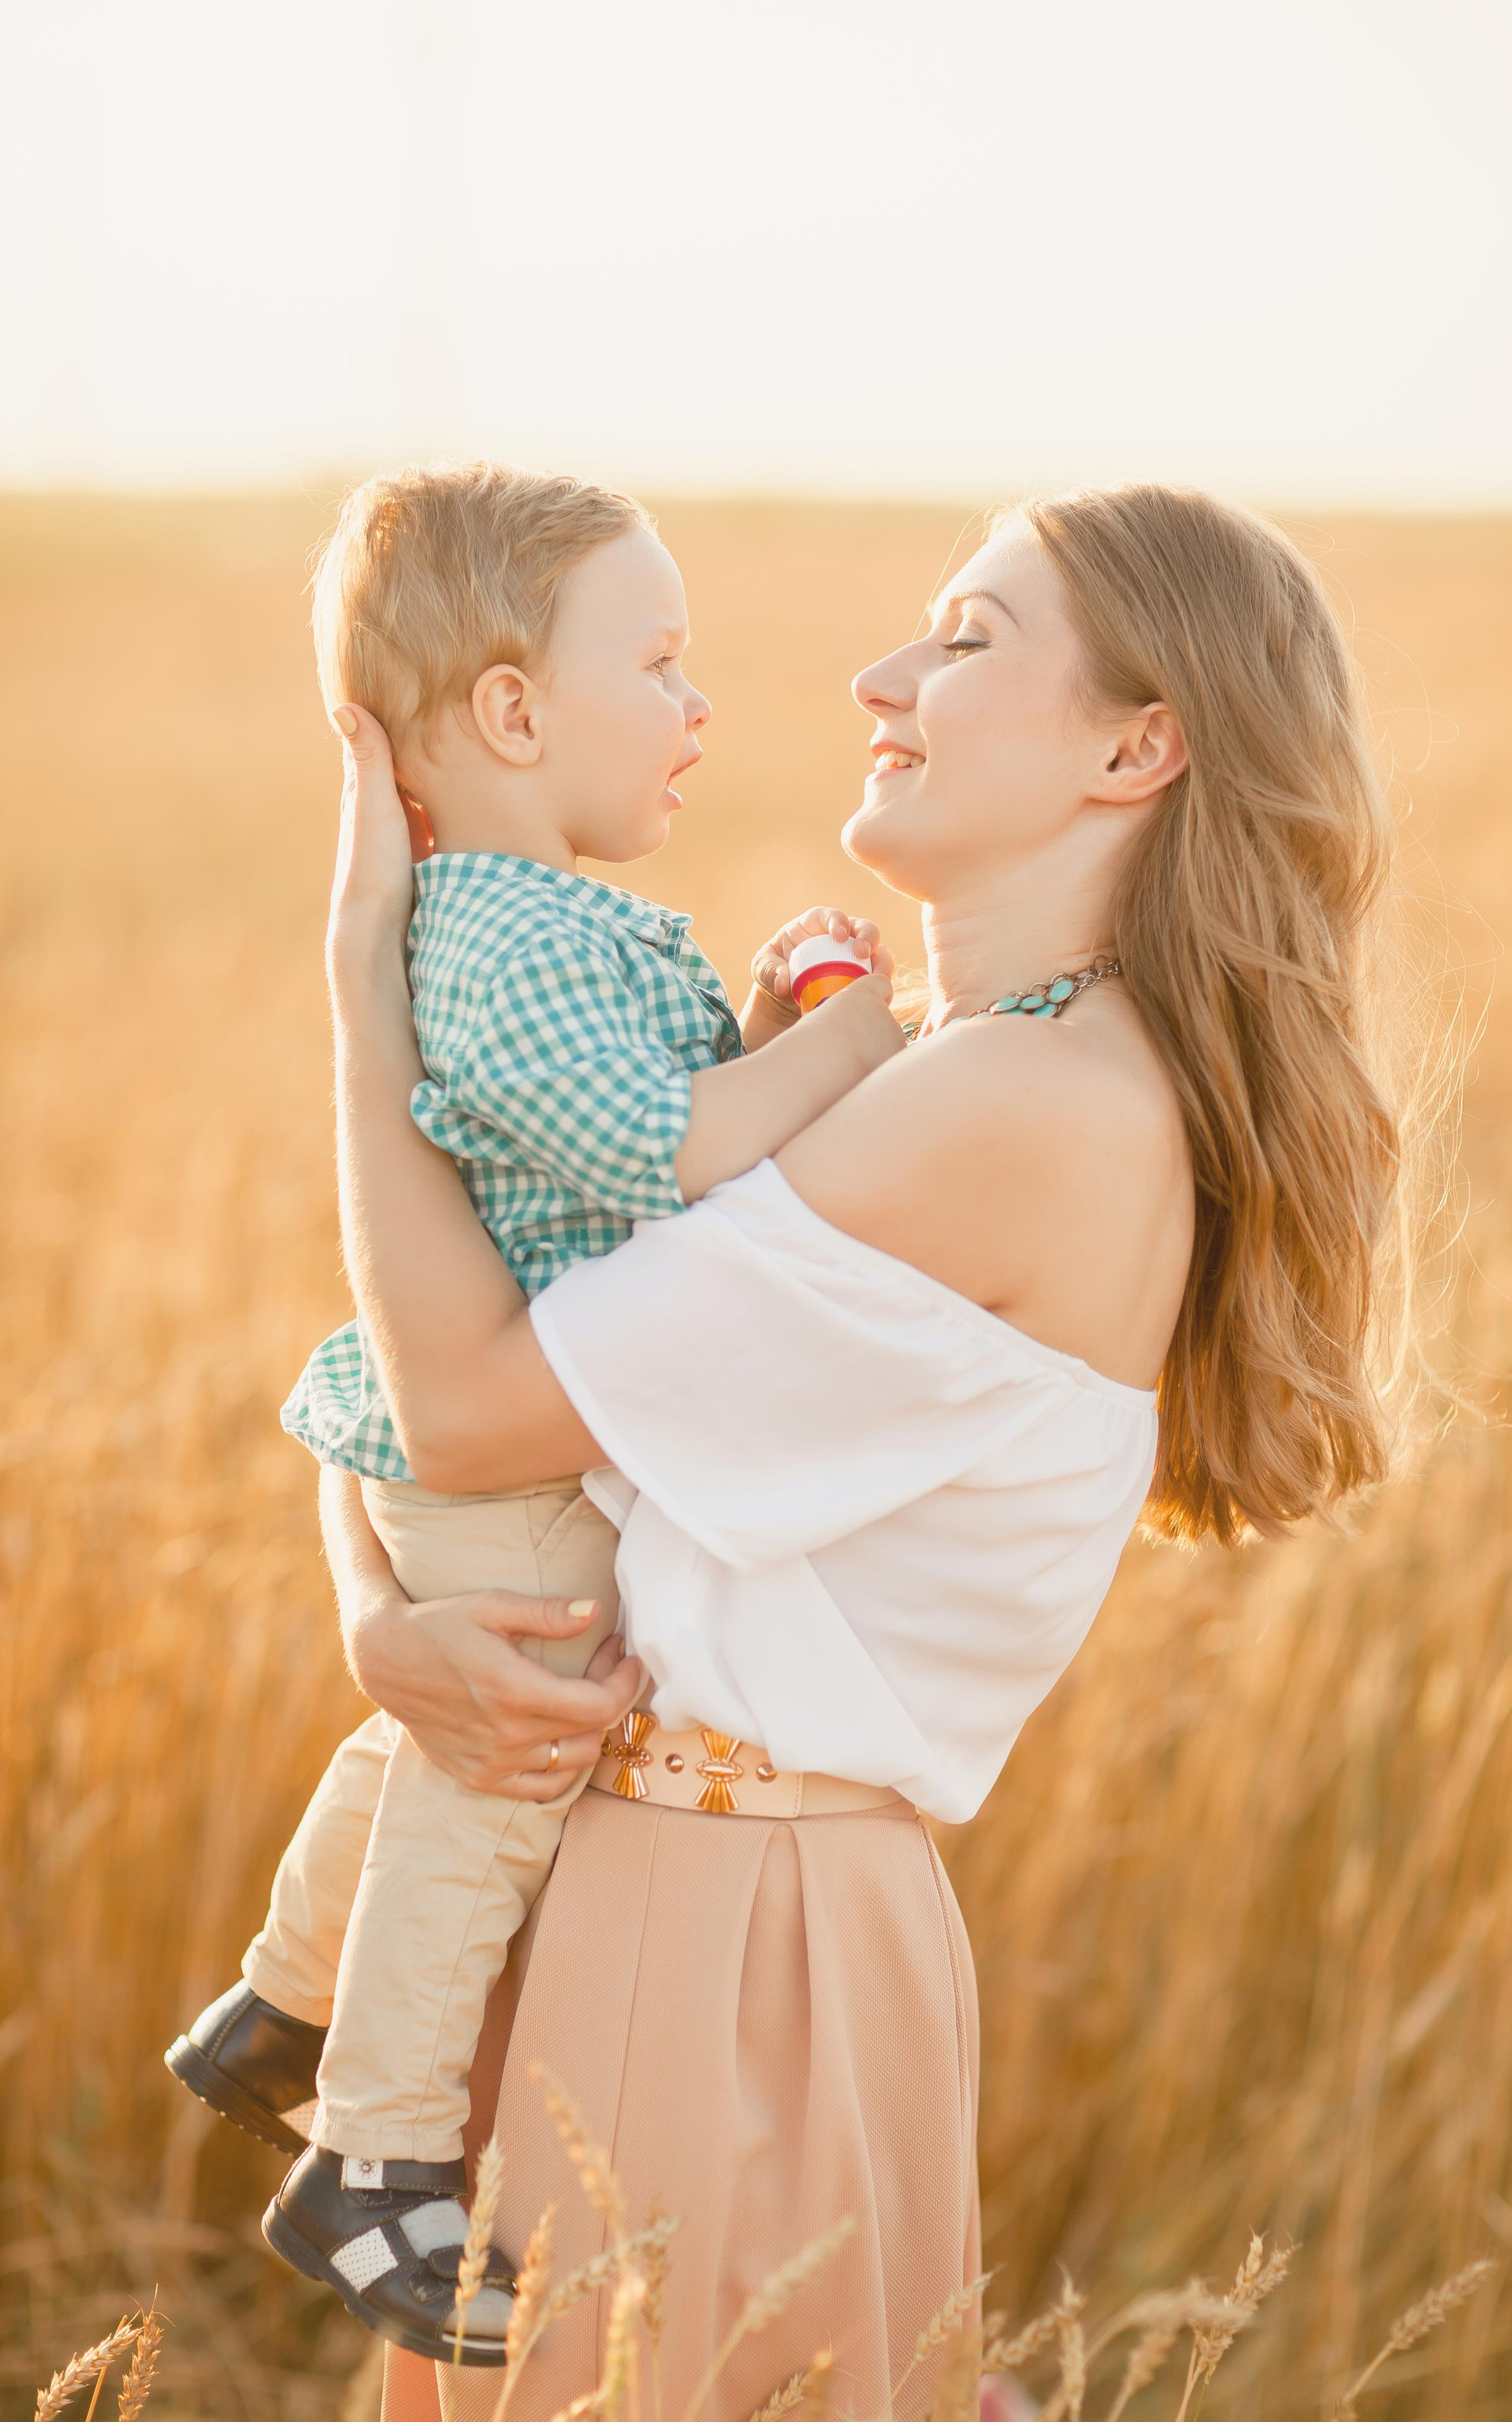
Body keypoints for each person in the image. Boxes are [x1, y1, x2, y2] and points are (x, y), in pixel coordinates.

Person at [317, 484, 1412, 2421]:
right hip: (698, 1891)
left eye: (969, 638)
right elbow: (518, 1394)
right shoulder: (999, 1069)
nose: (878, 675)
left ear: (1137, 745)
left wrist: (362, 992)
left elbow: (467, 1408)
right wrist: (375, 1628)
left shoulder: (1008, 1104)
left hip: (705, 1922)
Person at [163, 462, 902, 2366]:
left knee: (433, 1736)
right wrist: (835, 1049)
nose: (699, 706)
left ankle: (281, 2004)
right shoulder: (514, 936)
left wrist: (748, 1036)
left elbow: (640, 1141)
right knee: (505, 1770)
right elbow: (655, 1152)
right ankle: (376, 2162)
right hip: (509, 1453)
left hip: (471, 1439)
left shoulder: (531, 931)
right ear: (508, 713)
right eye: (658, 663)